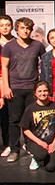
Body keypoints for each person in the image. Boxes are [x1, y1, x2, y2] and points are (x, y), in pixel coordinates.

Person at [1, 16, 47, 162]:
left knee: (32, 120)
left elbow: (45, 63)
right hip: (15, 88)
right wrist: (6, 87)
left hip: (32, 88)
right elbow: (4, 67)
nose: (25, 31)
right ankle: (15, 150)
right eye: (22, 28)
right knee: (14, 121)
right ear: (16, 30)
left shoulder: (37, 45)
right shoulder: (9, 47)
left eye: (28, 28)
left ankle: (31, 147)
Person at [19, 80, 55, 171]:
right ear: (35, 93)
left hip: (51, 141)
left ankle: (47, 157)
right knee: (41, 154)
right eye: (40, 91)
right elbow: (25, 129)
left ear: (49, 92)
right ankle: (36, 157)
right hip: (36, 141)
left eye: (45, 91)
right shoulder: (30, 108)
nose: (43, 93)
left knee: (51, 167)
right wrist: (40, 142)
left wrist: (54, 143)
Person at [0, 14, 15, 157]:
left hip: (16, 83)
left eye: (7, 25)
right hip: (1, 83)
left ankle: (20, 144)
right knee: (4, 116)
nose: (5, 28)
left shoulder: (17, 42)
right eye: (2, 25)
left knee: (16, 116)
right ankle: (7, 144)